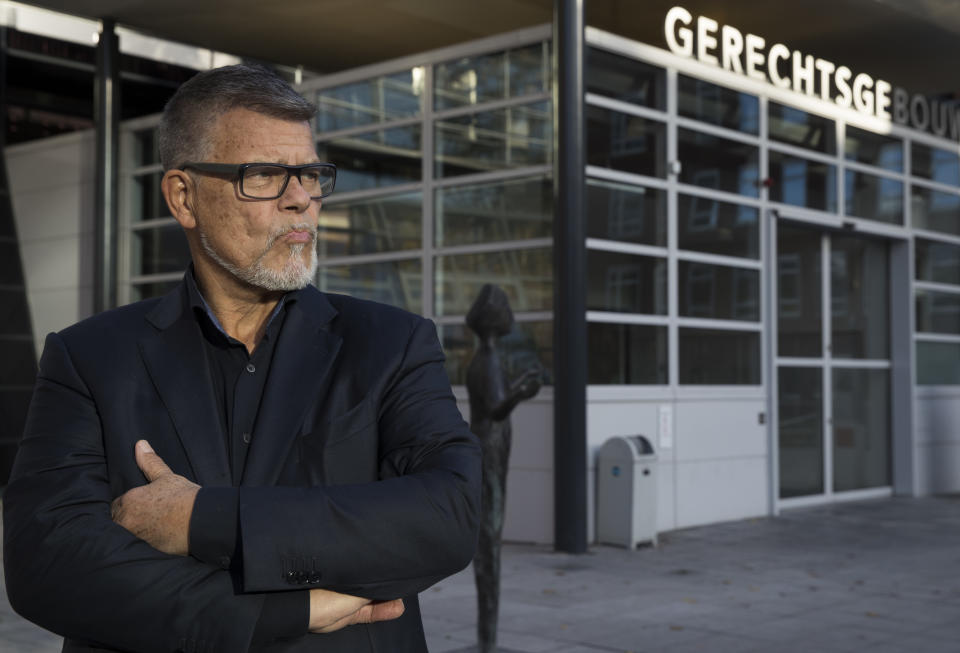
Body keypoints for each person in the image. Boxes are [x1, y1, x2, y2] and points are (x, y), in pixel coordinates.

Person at [2, 64, 481, 653]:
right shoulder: (88, 358)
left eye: (308, 173)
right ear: (184, 196)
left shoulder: (392, 343)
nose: (301, 199)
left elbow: (450, 515)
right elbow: (46, 563)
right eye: (266, 175)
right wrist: (285, 610)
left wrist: (205, 519)